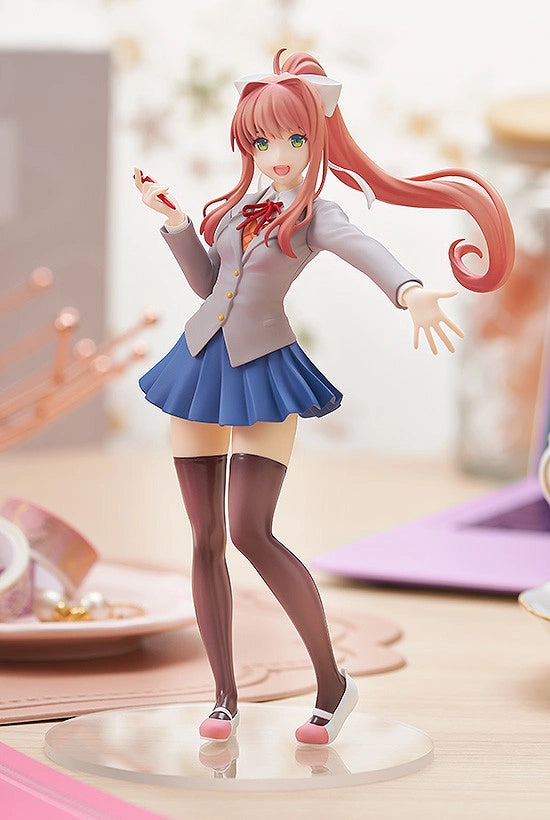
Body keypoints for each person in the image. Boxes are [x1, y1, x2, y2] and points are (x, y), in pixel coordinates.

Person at [134, 49, 514, 745]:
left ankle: (333, 686)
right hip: (196, 365)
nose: (278, 156)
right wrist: (176, 222)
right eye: (263, 142)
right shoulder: (235, 209)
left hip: (262, 371)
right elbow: (208, 286)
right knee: (205, 537)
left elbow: (364, 248)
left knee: (250, 531)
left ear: (318, 139)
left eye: (294, 139)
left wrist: (409, 290)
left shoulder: (316, 214)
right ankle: (224, 697)